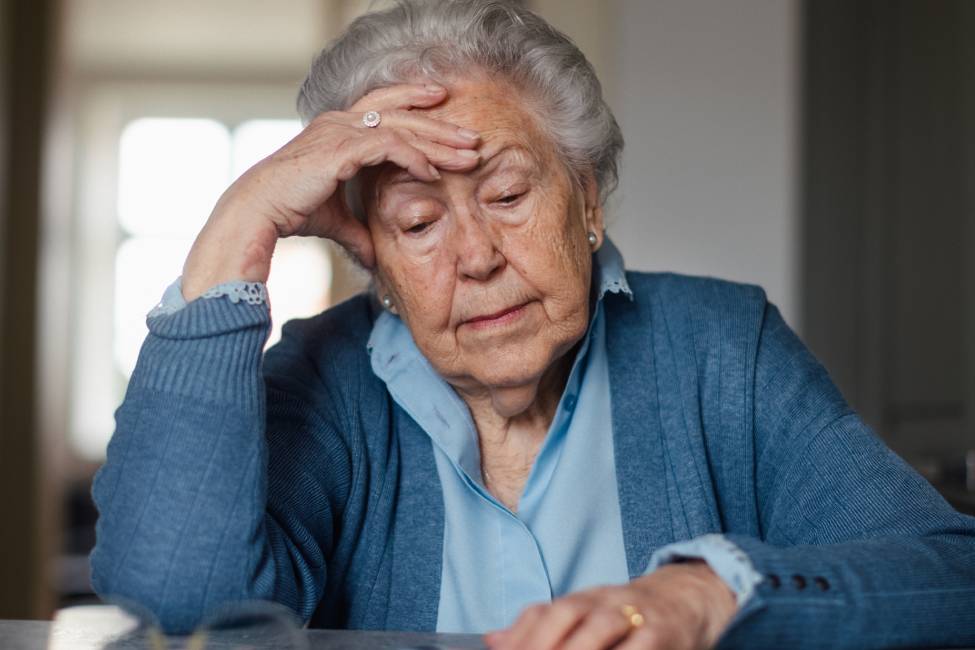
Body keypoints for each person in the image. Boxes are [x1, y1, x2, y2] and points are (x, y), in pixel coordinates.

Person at [89, 1, 975, 648]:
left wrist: (709, 596)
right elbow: (178, 604)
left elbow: (947, 572)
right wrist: (234, 233)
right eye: (417, 223)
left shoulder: (718, 348)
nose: (475, 256)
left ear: (586, 199)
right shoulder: (326, 376)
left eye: (508, 194)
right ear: (375, 257)